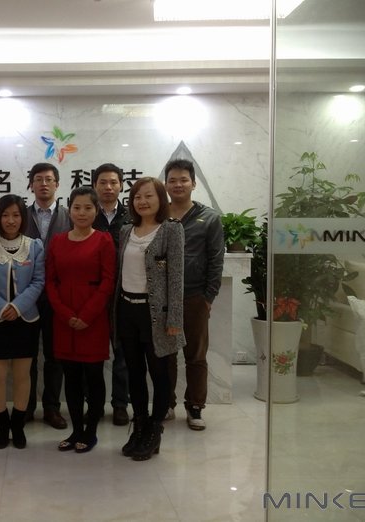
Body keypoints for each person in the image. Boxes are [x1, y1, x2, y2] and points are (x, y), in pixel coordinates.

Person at [116, 177, 185, 461]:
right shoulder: (126, 231)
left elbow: (176, 277)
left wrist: (175, 319)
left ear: (161, 199)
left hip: (155, 314)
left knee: (159, 373)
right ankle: (140, 425)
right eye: (137, 197)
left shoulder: (171, 230)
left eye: (148, 196)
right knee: (134, 372)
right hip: (126, 310)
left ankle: (155, 429)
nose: (142, 201)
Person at [46, 186, 115, 453]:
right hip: (64, 320)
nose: (82, 213)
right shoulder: (57, 241)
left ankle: (91, 431)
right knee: (71, 377)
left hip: (93, 320)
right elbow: (50, 282)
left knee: (94, 377)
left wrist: (86, 315)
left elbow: (108, 282)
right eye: (77, 207)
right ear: (69, 210)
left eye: (88, 208)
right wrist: (65, 314)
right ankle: (76, 430)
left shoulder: (104, 240)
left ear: (96, 210)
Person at [0, 195, 45, 449]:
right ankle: (2, 426)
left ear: (22, 217)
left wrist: (17, 306)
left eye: (16, 215)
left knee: (22, 374)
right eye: (5, 215)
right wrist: (2, 307)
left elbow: (38, 281)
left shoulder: (35, 245)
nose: (11, 220)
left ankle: (18, 424)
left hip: (26, 319)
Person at [164, 159, 225, 431]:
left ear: (193, 183)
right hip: (164, 299)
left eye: (183, 180)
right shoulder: (158, 214)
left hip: (194, 296)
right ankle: (166, 403)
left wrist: (208, 297)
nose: (178, 184)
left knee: (196, 356)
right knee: (165, 355)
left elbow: (216, 260)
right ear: (166, 184)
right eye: (172, 180)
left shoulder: (209, 218)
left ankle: (195, 407)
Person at [24, 162, 72, 430]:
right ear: (31, 184)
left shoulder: (69, 215)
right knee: (28, 355)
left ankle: (52, 408)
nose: (43, 184)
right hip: (27, 295)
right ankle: (27, 406)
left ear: (57, 184)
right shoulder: (20, 215)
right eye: (38, 179)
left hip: (57, 296)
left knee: (55, 355)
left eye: (49, 179)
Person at [91, 162, 132, 426]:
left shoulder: (132, 215)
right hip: (92, 293)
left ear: (121, 185)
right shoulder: (86, 213)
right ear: (94, 185)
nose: (108, 187)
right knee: (92, 353)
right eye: (103, 182)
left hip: (122, 293)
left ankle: (120, 405)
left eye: (113, 182)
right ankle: (94, 405)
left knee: (122, 354)